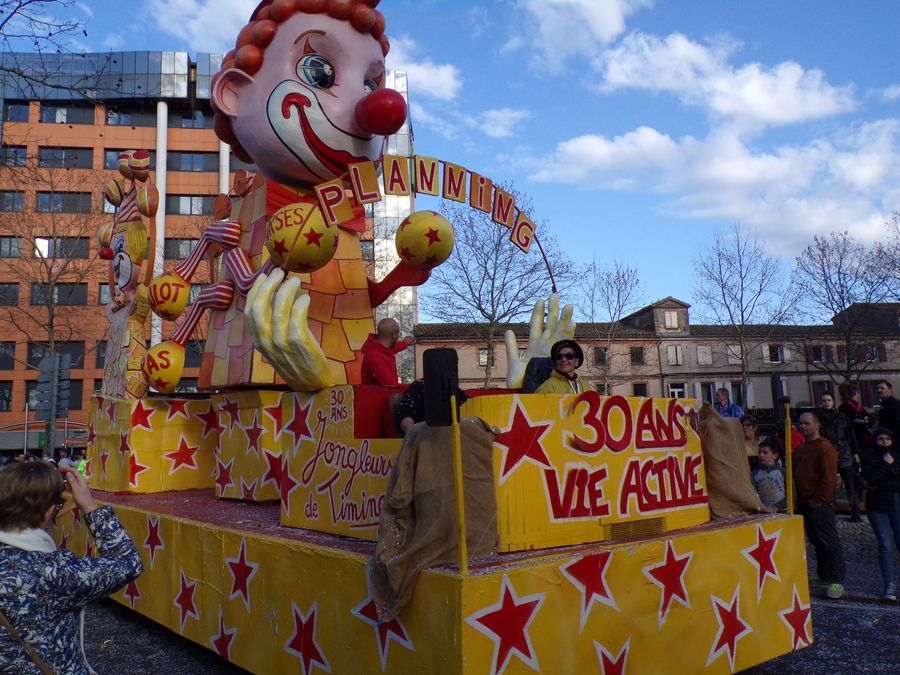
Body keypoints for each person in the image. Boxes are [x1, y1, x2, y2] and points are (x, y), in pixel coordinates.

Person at [0, 463, 143, 672]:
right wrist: (89, 505)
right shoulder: (54, 571)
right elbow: (128, 562)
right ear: (47, 511)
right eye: (59, 504)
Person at [793, 411, 846, 599]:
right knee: (816, 540)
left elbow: (829, 477)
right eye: (801, 423)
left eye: (807, 423)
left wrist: (819, 499)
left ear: (817, 425)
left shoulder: (825, 448)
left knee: (829, 541)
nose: (802, 426)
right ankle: (824, 573)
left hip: (819, 503)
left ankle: (837, 580)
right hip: (804, 502)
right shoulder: (802, 447)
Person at [860, 427, 899, 601]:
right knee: (885, 545)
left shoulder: (897, 456)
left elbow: (887, 480)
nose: (884, 442)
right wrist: (886, 466)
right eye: (881, 439)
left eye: (887, 439)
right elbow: (871, 478)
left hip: (896, 502)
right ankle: (889, 584)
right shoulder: (868, 457)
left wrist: (882, 475)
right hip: (877, 506)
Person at [818, 392, 862, 522]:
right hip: (827, 454)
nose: (827, 403)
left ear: (833, 402)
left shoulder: (842, 417)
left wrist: (855, 453)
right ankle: (831, 512)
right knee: (829, 486)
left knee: (850, 486)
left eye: (829, 400)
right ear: (821, 403)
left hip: (844, 454)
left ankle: (855, 512)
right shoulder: (818, 418)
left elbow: (850, 435)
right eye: (824, 400)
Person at [394, 379, 469, 434]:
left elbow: (469, 410)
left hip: (451, 441)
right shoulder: (418, 387)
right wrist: (414, 434)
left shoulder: (454, 390)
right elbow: (404, 415)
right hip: (422, 440)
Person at [360, 318, 415, 386]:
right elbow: (391, 386)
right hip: (380, 393)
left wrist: (405, 343)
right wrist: (416, 387)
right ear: (393, 334)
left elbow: (394, 348)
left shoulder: (381, 348)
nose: (399, 336)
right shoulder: (376, 357)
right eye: (399, 333)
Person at [752, 437, 786, 511]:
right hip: (763, 511)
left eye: (765, 452)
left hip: (782, 511)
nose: (761, 455)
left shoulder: (783, 472)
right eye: (759, 452)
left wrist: (777, 506)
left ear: (775, 456)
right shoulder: (754, 474)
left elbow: (791, 494)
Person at [838, 381, 871, 452]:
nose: (858, 396)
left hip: (865, 439)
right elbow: (851, 421)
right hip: (853, 440)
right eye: (855, 394)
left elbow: (869, 418)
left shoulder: (859, 406)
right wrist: (862, 420)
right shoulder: (843, 408)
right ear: (848, 395)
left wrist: (865, 420)